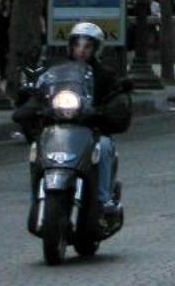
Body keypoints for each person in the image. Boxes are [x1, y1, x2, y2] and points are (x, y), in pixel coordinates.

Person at [13, 22, 131, 220]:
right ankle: (38, 197)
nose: (81, 51)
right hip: (58, 127)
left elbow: (116, 97)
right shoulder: (54, 70)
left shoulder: (105, 75)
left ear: (96, 49)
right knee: (37, 148)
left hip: (91, 129)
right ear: (70, 46)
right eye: (78, 45)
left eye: (87, 46)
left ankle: (102, 202)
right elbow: (39, 90)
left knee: (104, 146)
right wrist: (30, 100)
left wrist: (108, 109)